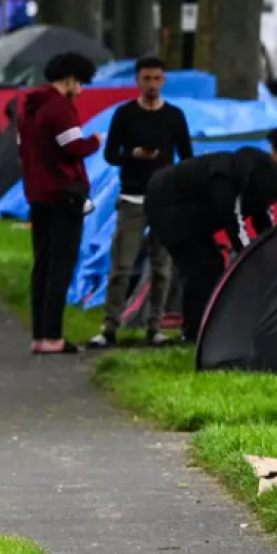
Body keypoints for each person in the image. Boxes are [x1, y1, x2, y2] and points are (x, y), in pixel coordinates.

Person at [145, 146, 277, 342]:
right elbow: (232, 223)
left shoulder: (248, 177)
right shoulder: (225, 179)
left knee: (209, 267)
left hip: (186, 212)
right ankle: (195, 332)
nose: (271, 202)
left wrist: (270, 249)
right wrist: (252, 255)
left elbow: (263, 222)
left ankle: (200, 328)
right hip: (169, 210)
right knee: (202, 268)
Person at [88, 56, 193, 349]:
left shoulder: (174, 116)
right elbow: (109, 155)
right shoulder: (124, 114)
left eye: (156, 79)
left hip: (165, 200)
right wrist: (131, 155)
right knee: (121, 266)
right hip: (132, 196)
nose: (151, 85)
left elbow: (186, 157)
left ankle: (155, 327)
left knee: (162, 268)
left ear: (164, 81)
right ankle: (109, 327)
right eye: (146, 79)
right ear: (137, 81)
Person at [18, 52, 102, 355]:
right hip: (63, 194)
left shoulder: (28, 107)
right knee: (61, 267)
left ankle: (39, 335)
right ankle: (53, 336)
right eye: (79, 84)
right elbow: (72, 146)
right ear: (69, 80)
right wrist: (95, 140)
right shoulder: (59, 108)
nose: (80, 91)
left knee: (42, 265)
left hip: (37, 194)